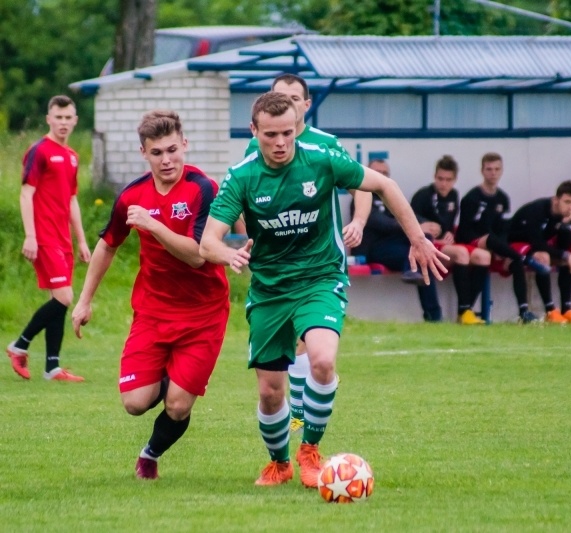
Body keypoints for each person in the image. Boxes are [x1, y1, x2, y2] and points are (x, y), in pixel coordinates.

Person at [198, 92, 446, 488]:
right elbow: (208, 241)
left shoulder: (321, 158)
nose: (281, 142)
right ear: (254, 132)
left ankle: (310, 450)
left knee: (322, 361)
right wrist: (227, 255)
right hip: (270, 290)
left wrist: (417, 238)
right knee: (270, 392)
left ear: (297, 127)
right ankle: (279, 463)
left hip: (320, 278)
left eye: (288, 133)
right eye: (271, 135)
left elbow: (384, 184)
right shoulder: (241, 175)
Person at [71, 110, 230, 480]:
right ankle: (168, 375)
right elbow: (107, 245)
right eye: (157, 152)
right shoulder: (131, 196)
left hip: (203, 314)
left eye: (173, 149)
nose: (167, 159)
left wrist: (153, 224)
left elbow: (197, 255)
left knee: (176, 407)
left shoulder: (202, 189)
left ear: (184, 145)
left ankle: (150, 454)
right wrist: (84, 300)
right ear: (144, 153)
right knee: (134, 403)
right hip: (153, 312)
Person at [245, 74, 372, 435]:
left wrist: (359, 221)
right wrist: (251, 237)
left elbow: (363, 185)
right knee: (288, 367)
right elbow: (247, 201)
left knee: (311, 350)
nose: (285, 102)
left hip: (318, 265)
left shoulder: (325, 146)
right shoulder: (257, 148)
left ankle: (303, 426)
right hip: (274, 273)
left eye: (293, 97)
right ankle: (299, 421)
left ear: (305, 104)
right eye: (278, 96)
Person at [7, 95, 91, 382]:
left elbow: (71, 200)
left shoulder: (72, 156)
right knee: (65, 297)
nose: (64, 123)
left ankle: (52, 367)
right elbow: (26, 193)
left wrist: (81, 241)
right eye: (59, 117)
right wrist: (30, 235)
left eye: (69, 118)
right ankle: (19, 345)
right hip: (43, 237)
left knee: (61, 299)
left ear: (75, 120)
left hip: (63, 239)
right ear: (49, 119)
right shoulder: (39, 151)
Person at [455, 152, 544, 323]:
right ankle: (523, 258)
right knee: (490, 242)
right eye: (489, 169)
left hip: (495, 246)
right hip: (471, 243)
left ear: (502, 171)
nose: (493, 173)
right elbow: (464, 230)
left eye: (497, 169)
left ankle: (524, 312)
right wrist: (489, 244)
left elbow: (503, 229)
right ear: (482, 171)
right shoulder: (471, 198)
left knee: (514, 261)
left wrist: (501, 250)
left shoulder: (503, 199)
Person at [351, 159, 443, 322]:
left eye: (385, 173)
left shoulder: (388, 195)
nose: (381, 176)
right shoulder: (361, 194)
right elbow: (379, 222)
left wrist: (427, 225)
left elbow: (406, 213)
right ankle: (433, 314)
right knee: (420, 247)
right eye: (377, 172)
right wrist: (417, 228)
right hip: (373, 248)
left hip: (394, 245)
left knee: (424, 246)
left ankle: (434, 316)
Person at [410, 155, 491, 324]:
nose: (444, 183)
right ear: (435, 177)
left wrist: (449, 233)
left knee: (484, 257)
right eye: (440, 179)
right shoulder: (423, 195)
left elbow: (448, 224)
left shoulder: (454, 195)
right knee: (461, 253)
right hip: (428, 245)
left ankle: (467, 310)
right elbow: (409, 220)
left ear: (455, 180)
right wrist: (424, 225)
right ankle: (463, 311)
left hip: (445, 245)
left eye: (448, 179)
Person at [507, 180, 571, 323]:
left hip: (536, 244)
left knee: (565, 261)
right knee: (544, 257)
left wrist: (567, 224)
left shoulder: (565, 215)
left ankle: (567, 309)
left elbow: (564, 245)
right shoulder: (538, 210)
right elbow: (537, 242)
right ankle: (550, 310)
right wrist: (566, 254)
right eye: (567, 202)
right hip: (515, 242)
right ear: (556, 200)